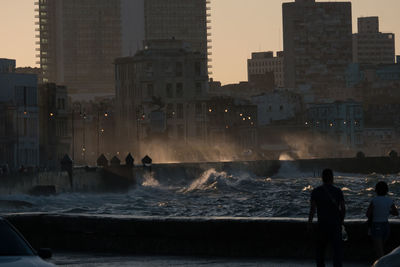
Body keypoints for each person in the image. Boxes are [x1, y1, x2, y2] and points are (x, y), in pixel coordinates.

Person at [308, 169, 346, 267]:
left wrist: (310, 223)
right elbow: (343, 208)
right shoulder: (338, 191)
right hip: (335, 225)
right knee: (337, 251)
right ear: (332, 178)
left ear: (322, 178)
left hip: (322, 225)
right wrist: (341, 221)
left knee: (320, 251)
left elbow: (312, 209)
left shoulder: (316, 191)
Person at [366, 181, 399, 260]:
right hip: (386, 226)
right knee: (382, 249)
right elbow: (396, 213)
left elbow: (368, 214)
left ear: (376, 190)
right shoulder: (389, 200)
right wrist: (387, 211)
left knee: (380, 252)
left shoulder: (374, 200)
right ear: (386, 190)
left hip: (376, 226)